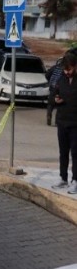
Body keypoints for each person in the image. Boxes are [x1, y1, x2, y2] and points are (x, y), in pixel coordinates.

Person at [51, 53, 77, 193]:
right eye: (65, 70)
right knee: (63, 153)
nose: (67, 72)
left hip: (75, 124)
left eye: (70, 69)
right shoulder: (61, 79)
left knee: (76, 153)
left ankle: (75, 180)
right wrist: (56, 100)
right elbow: (52, 96)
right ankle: (63, 178)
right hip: (62, 122)